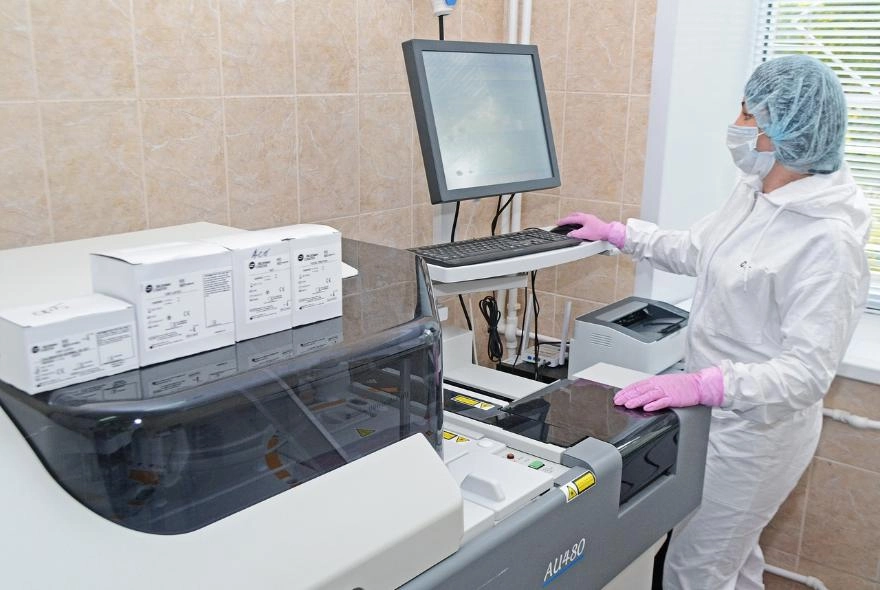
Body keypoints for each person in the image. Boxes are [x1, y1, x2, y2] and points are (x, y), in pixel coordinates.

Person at [558, 54, 871, 589]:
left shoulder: (828, 241)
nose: (737, 124)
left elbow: (806, 374)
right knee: (733, 559)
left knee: (696, 570)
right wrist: (619, 235)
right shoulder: (756, 193)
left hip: (756, 438)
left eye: (749, 114)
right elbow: (699, 249)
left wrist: (706, 383)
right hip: (718, 419)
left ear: (784, 131)